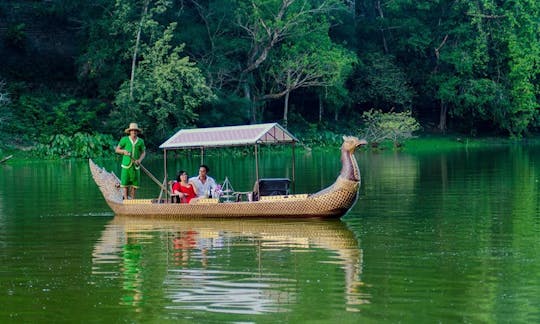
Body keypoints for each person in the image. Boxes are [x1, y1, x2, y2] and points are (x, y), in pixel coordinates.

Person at [115, 122, 146, 200]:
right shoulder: (124, 139)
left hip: (135, 165)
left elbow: (143, 152)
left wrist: (139, 160)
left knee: (134, 183)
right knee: (125, 182)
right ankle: (125, 198)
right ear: (129, 131)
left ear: (137, 132)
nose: (134, 132)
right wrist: (124, 151)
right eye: (132, 130)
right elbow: (117, 150)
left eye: (135, 130)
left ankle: (132, 199)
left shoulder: (140, 141)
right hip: (126, 164)